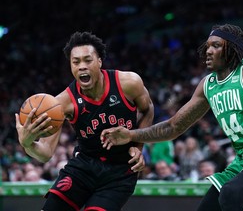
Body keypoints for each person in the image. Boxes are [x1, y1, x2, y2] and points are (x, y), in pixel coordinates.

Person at [101, 24, 243, 211]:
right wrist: (131, 135)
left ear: (232, 49)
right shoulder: (208, 85)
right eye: (207, 46)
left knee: (231, 193)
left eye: (216, 45)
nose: (208, 51)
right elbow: (173, 127)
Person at [15, 31, 154, 211]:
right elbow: (45, 153)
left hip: (120, 172)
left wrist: (138, 146)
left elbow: (147, 109)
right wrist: (27, 143)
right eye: (76, 62)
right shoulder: (62, 103)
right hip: (83, 167)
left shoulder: (129, 83)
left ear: (99, 62)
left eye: (87, 60)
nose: (82, 66)